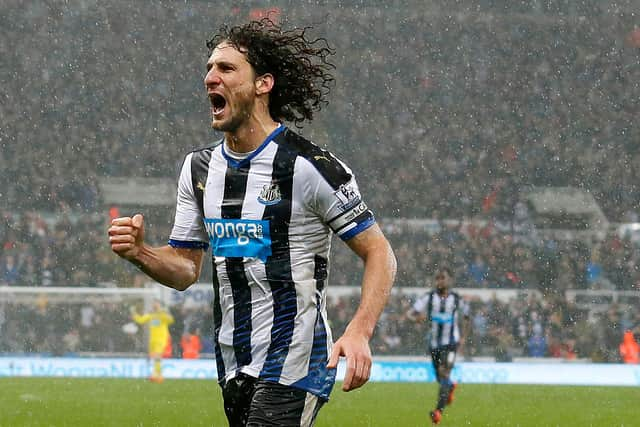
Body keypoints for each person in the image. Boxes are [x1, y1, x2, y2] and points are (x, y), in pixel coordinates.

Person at [108, 19, 396, 427]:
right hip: (233, 362)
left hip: (295, 361)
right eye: (209, 68)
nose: (211, 77)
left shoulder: (308, 167)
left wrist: (360, 330)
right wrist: (141, 253)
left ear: (263, 84)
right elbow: (185, 269)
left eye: (226, 69)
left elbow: (379, 251)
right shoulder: (198, 169)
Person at [408, 267, 470, 425]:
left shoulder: (456, 299)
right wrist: (417, 319)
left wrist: (463, 337)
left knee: (444, 372)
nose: (440, 281)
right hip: (434, 344)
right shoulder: (428, 298)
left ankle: (437, 412)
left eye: (443, 278)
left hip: (451, 343)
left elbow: (467, 315)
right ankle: (450, 386)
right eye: (438, 278)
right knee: (440, 377)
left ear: (449, 280)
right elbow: (410, 313)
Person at [131, 300, 175, 383]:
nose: (154, 305)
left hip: (161, 339)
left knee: (157, 356)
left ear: (159, 305)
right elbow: (141, 320)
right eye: (153, 304)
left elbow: (171, 320)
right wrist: (134, 313)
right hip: (152, 340)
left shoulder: (162, 314)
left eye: (156, 304)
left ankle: (157, 375)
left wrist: (163, 312)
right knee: (155, 357)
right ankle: (157, 374)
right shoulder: (151, 315)